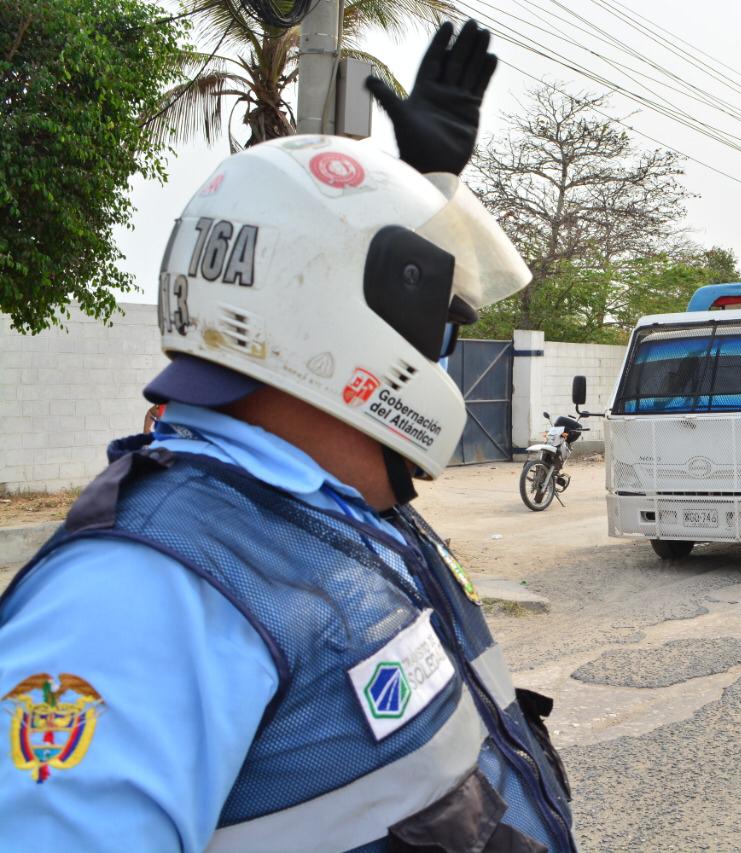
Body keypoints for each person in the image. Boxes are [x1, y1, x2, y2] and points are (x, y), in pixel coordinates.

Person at [0, 21, 575, 852]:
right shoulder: (147, 595)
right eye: (436, 327)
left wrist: (428, 191)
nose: (443, 354)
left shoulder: (324, 506)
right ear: (344, 331)